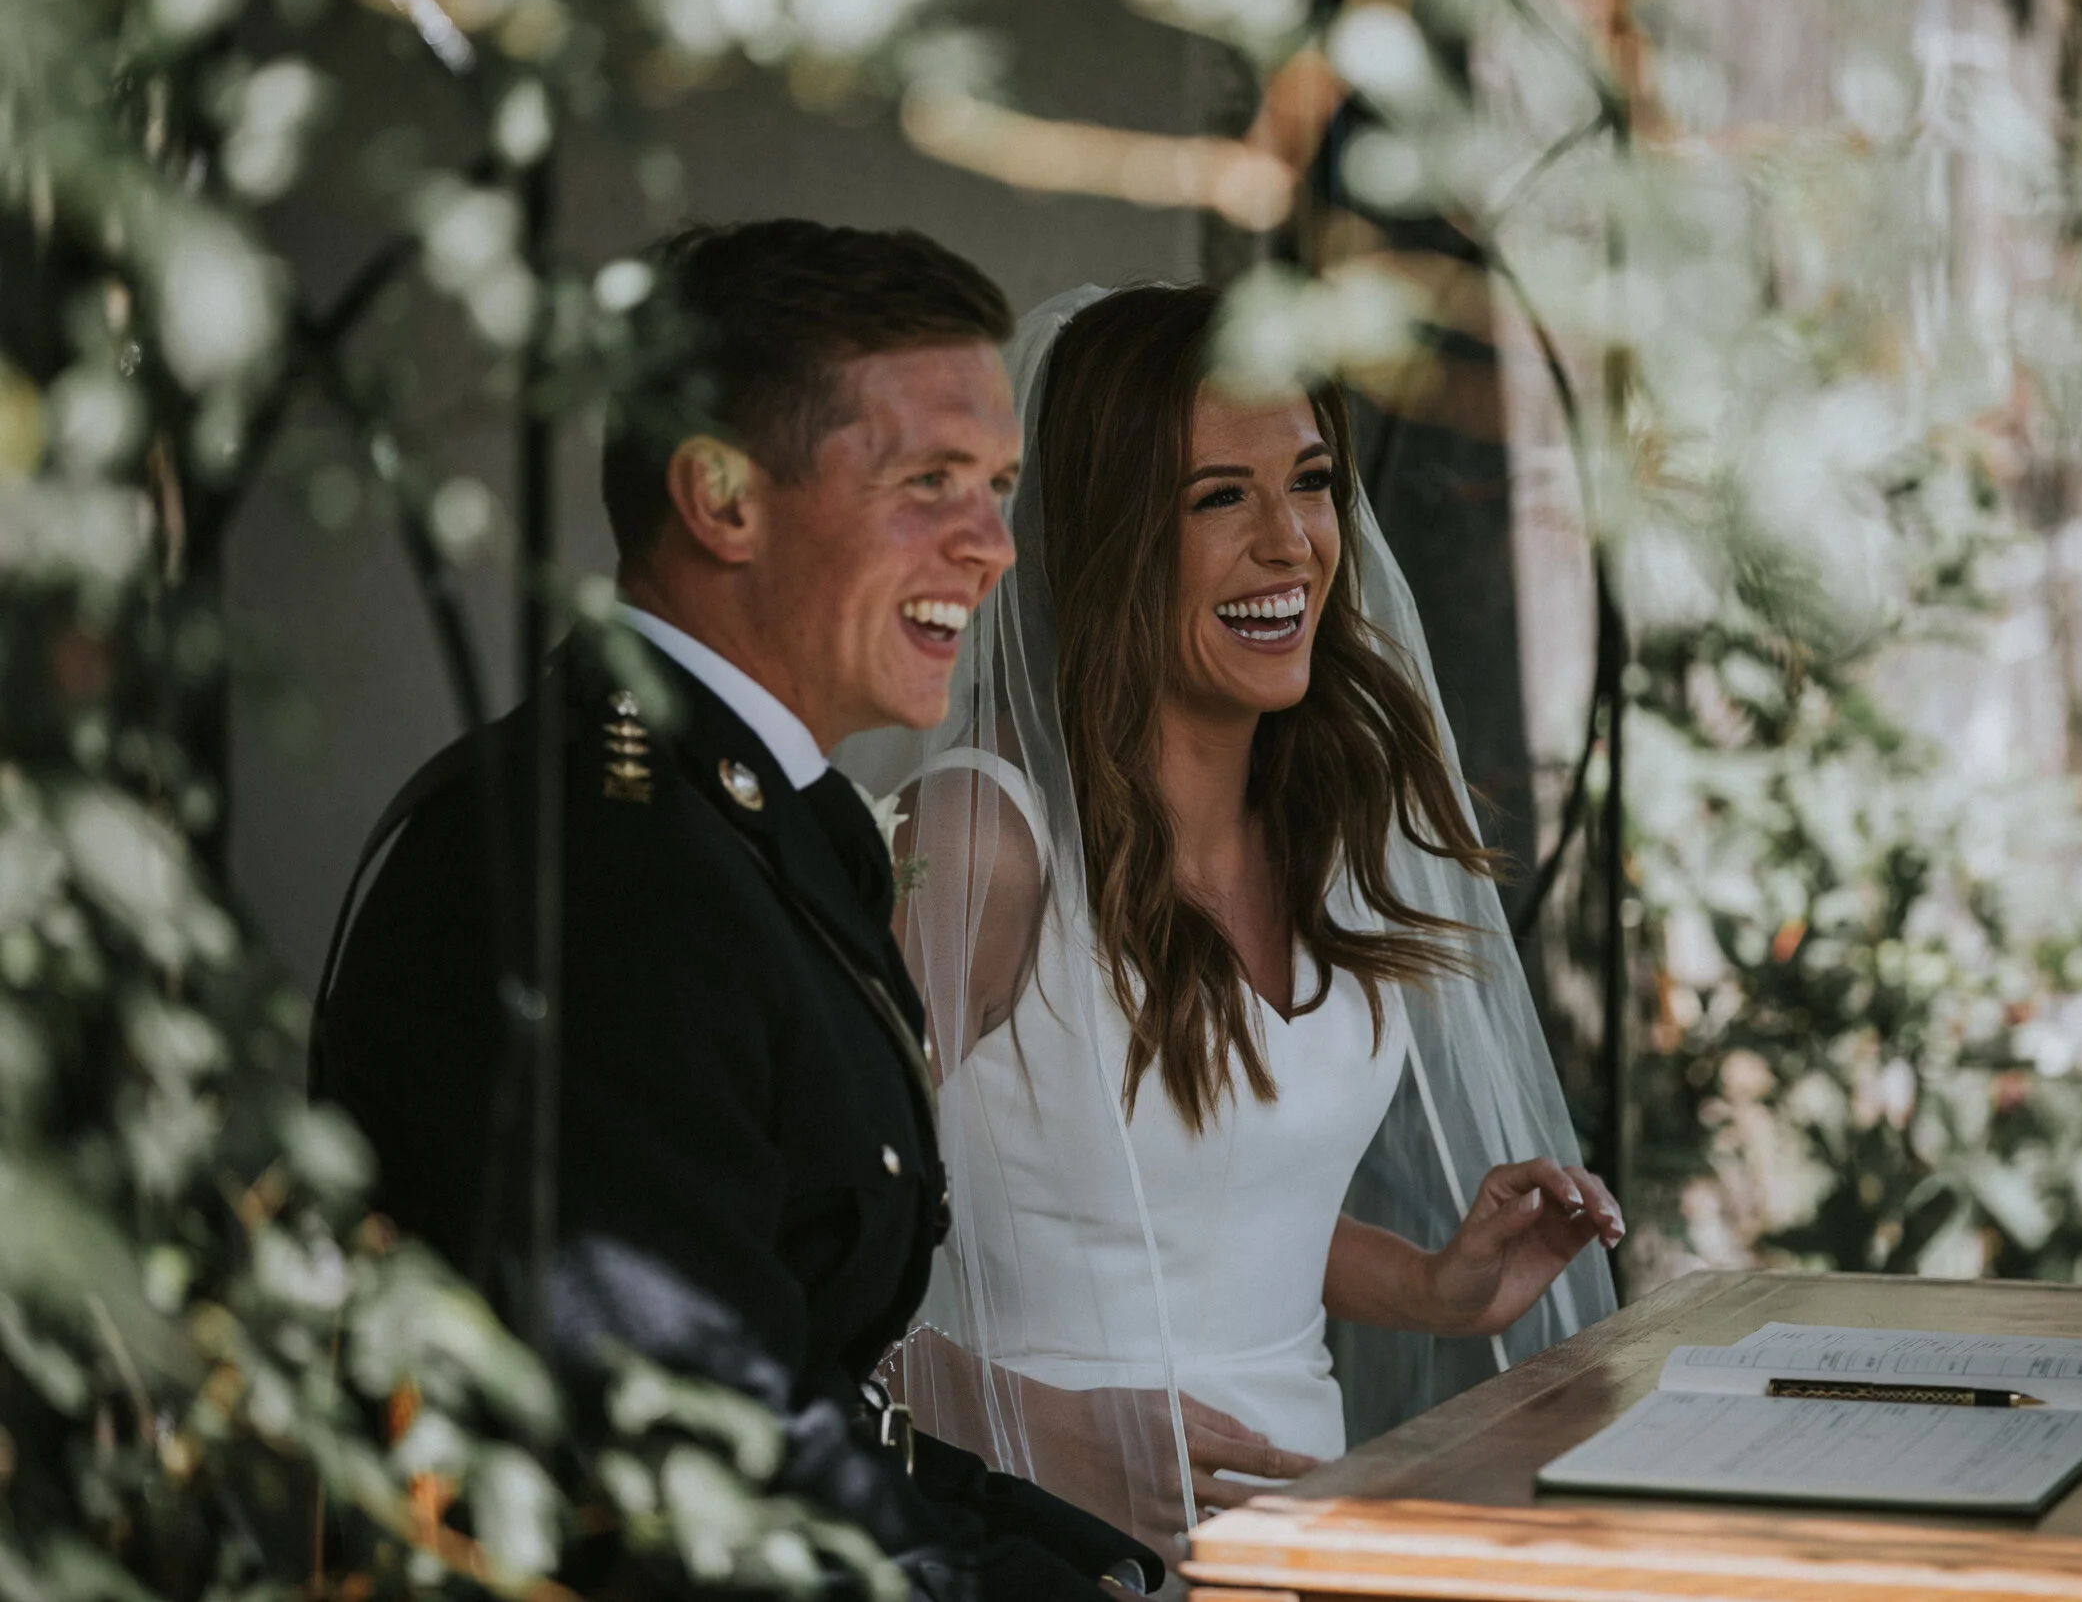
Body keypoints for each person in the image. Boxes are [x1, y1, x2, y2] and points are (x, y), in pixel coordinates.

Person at [314, 223, 1164, 1599]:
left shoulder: (745, 820)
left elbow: (811, 1387)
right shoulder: (598, 869)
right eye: (929, 482)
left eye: (1000, 486)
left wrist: (1071, 1558)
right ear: (720, 498)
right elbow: (697, 1467)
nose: (996, 547)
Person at [838, 283, 1620, 1564]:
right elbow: (787, 1252)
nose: (1289, 543)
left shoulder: (1336, 833)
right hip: (1017, 1543)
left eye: (1308, 482)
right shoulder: (983, 842)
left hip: (1297, 1540)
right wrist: (1019, 1427)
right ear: (1104, 535)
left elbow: (1203, 1210)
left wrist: (1433, 1284)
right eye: (1217, 498)